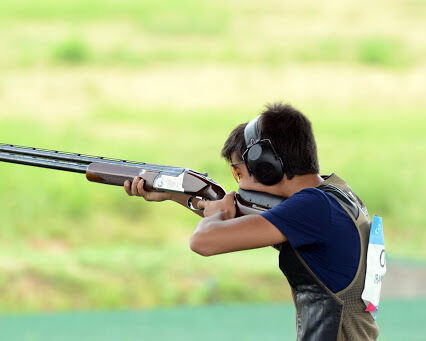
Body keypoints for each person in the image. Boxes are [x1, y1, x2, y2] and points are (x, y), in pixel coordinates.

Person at [124, 103, 379, 340]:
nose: (239, 184)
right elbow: (242, 225)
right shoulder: (336, 195)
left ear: (266, 166)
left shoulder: (313, 207)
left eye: (237, 172)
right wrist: (172, 193)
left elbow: (203, 241)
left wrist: (217, 214)